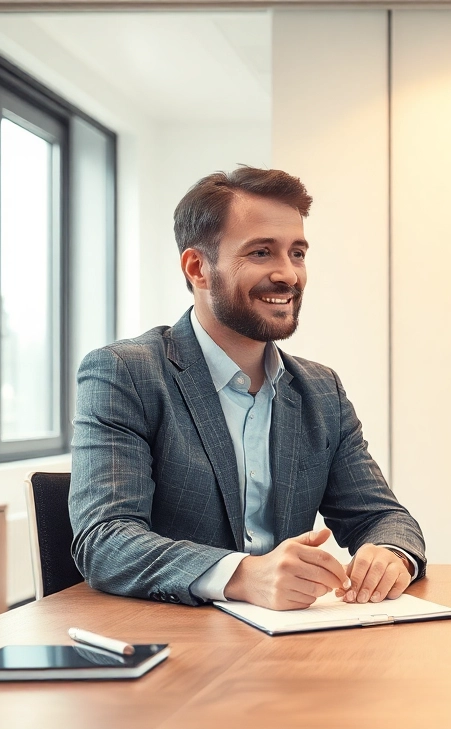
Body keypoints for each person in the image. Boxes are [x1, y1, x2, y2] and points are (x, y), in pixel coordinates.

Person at [70, 166, 425, 611]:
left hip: (291, 642)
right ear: (198, 267)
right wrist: (242, 574)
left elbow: (383, 518)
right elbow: (104, 540)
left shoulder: (321, 390)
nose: (289, 275)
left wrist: (390, 555)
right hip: (173, 645)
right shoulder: (125, 373)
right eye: (261, 253)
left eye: (297, 253)